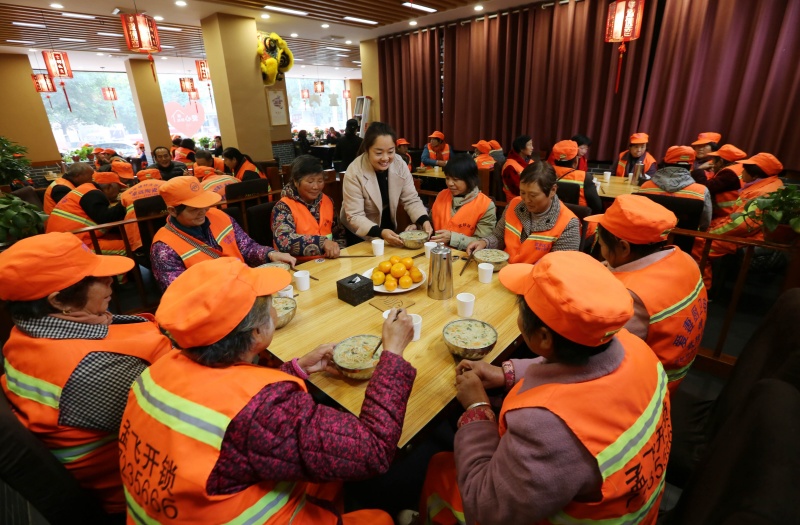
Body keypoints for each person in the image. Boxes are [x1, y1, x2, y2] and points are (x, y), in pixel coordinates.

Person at [119, 257, 416, 524]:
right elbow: (374, 450)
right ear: (257, 332)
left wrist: (298, 368)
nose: (275, 309)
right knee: (379, 518)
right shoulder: (263, 412)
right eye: (270, 303)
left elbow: (231, 402)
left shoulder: (156, 371)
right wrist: (392, 354)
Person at [418, 251, 671, 525]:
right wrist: (505, 374)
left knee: (439, 469)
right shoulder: (635, 347)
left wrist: (478, 409)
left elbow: (486, 506)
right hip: (635, 505)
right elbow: (582, 368)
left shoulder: (547, 427)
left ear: (544, 337)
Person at [0, 233, 173, 514]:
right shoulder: (95, 369)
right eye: (96, 278)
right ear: (59, 301)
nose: (110, 280)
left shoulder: (25, 333)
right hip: (151, 491)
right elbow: (185, 417)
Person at [587, 195, 708, 394]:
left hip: (645, 387)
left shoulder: (630, 297)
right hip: (679, 367)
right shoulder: (684, 259)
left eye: (601, 245)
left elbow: (599, 352)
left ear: (623, 247)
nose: (602, 250)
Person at [150, 176, 295, 290]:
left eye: (204, 204)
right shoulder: (163, 248)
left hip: (244, 287)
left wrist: (270, 254)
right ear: (173, 211)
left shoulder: (219, 216)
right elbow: (179, 293)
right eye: (194, 209)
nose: (203, 212)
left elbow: (246, 247)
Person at [691, 153, 784, 289]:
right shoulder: (766, 184)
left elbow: (741, 225)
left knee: (700, 244)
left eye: (744, 170)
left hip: (749, 238)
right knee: (700, 233)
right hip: (744, 233)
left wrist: (711, 233)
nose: (740, 172)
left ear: (754, 175)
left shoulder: (763, 193)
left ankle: (703, 290)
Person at [467, 161, 580, 264]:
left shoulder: (568, 224)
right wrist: (484, 243)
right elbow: (498, 236)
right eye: (523, 192)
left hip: (536, 276)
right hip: (505, 269)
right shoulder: (514, 204)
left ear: (552, 190)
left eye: (533, 195)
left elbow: (558, 266)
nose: (526, 200)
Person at [340, 122, 433, 246]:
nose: (385, 158)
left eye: (390, 151)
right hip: (360, 228)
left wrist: (424, 220)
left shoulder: (399, 164)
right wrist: (380, 232)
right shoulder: (355, 172)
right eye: (379, 153)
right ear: (367, 150)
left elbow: (411, 199)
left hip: (386, 222)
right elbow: (355, 215)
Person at [272, 155, 340, 261]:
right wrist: (322, 243)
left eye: (320, 181)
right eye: (310, 182)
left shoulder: (327, 201)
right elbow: (284, 240)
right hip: (297, 265)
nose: (316, 187)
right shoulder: (283, 207)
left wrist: (339, 251)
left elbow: (339, 234)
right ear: (296, 182)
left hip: (328, 261)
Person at [46, 172, 128, 255]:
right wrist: (125, 202)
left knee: (120, 236)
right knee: (129, 245)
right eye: (119, 189)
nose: (118, 193)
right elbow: (106, 218)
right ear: (109, 187)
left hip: (63, 240)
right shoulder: (93, 194)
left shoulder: (86, 190)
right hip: (73, 245)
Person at [430, 153, 496, 251]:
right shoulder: (442, 195)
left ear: (470, 180)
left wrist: (452, 238)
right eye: (447, 178)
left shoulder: (486, 205)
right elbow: (431, 222)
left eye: (455, 179)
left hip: (465, 256)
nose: (449, 183)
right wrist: (420, 224)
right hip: (436, 252)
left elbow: (482, 242)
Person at [637, 145, 712, 230]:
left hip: (650, 235)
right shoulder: (702, 191)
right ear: (691, 166)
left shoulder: (645, 187)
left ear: (665, 162)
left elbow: (639, 217)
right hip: (683, 238)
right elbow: (704, 224)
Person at [694, 144, 748, 218]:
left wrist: (699, 170)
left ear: (720, 161)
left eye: (714, 160)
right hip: (734, 213)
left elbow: (705, 188)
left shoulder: (729, 173)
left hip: (725, 216)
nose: (712, 163)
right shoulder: (739, 168)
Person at [549, 139, 602, 213]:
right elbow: (597, 207)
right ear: (575, 161)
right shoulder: (584, 177)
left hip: (550, 215)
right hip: (577, 217)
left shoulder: (544, 172)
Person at [119, 177, 165, 252]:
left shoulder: (125, 194)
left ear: (138, 180)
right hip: (167, 234)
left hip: (138, 240)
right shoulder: (168, 185)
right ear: (160, 177)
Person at [501, 134, 533, 201]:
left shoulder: (531, 161)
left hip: (530, 196)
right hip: (516, 200)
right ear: (521, 148)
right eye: (529, 145)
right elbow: (516, 190)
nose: (532, 148)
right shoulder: (510, 166)